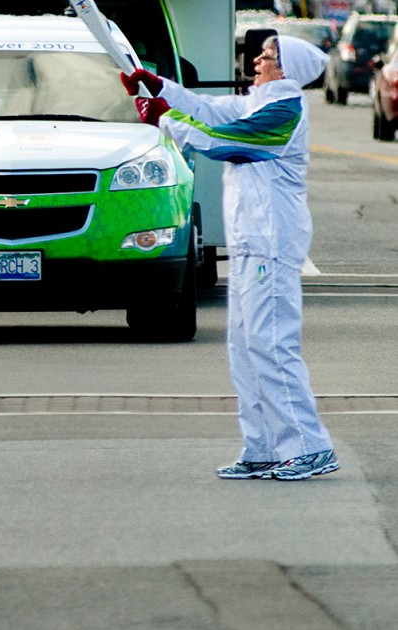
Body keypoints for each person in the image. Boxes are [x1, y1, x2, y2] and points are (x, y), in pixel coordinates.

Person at [122, 35, 339, 482]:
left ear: (288, 69)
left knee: (272, 343)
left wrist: (167, 122)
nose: (257, 59)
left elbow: (226, 142)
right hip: (248, 242)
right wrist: (158, 87)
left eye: (269, 55)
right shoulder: (256, 100)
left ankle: (309, 445)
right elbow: (209, 110)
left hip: (272, 243)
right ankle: (262, 446)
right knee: (243, 346)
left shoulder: (285, 110)